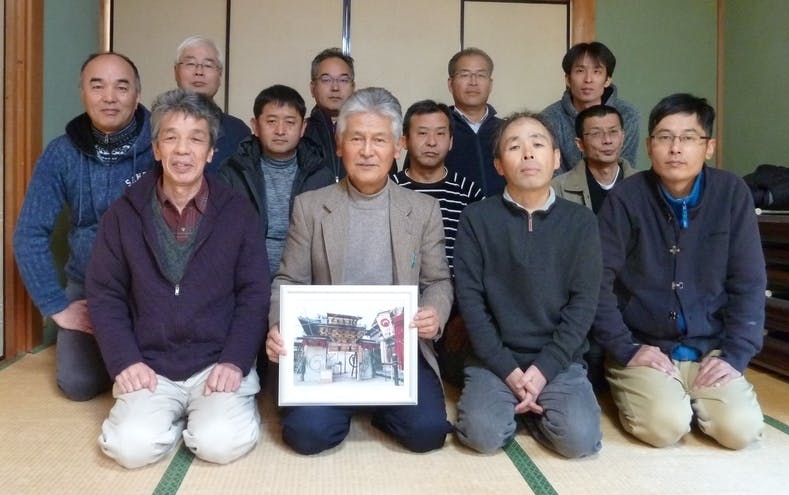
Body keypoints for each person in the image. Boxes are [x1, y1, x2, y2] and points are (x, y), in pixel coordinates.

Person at [85, 89, 270, 469]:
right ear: (156, 148)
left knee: (219, 444)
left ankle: (206, 416)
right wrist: (125, 361)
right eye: (171, 138)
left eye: (196, 139)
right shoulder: (122, 214)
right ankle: (170, 418)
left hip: (216, 364)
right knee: (129, 450)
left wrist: (235, 360)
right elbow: (105, 294)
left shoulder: (238, 213)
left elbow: (254, 294)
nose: (183, 150)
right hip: (150, 365)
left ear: (211, 151)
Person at [266, 87, 454, 455]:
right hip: (328, 351)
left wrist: (435, 312)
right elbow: (288, 280)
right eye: (356, 139)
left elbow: (437, 281)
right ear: (340, 146)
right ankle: (355, 405)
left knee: (428, 433)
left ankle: (379, 409)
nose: (367, 151)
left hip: (398, 351)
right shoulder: (310, 207)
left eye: (379, 140)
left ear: (397, 146)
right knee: (307, 435)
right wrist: (278, 324)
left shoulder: (423, 209)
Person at [594, 93, 765, 450]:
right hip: (645, 344)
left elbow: (749, 282)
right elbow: (597, 281)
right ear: (649, 146)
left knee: (740, 430)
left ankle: (693, 396)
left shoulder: (732, 193)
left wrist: (735, 355)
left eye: (688, 138)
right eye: (664, 137)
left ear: (708, 147)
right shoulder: (626, 198)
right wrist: (625, 347)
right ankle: (663, 396)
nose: (675, 148)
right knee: (665, 427)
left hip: (711, 347)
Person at [453, 112, 602, 458]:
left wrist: (542, 371)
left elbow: (583, 307)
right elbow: (471, 305)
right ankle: (522, 406)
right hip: (493, 360)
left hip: (559, 360)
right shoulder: (476, 218)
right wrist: (508, 370)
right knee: (482, 436)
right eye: (514, 146)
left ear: (556, 158)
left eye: (538, 144)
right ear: (498, 165)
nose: (528, 153)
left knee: (580, 442)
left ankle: (528, 409)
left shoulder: (581, 222)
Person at [13, 52, 154, 401]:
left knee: (161, 378)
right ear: (83, 93)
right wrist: (56, 306)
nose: (110, 97)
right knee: (77, 384)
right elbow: (29, 233)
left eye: (122, 87)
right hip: (90, 286)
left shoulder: (161, 145)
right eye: (98, 86)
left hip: (152, 287)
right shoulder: (61, 153)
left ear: (137, 94)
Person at [392, 99, 483, 387]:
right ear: (405, 140)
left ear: (451, 141)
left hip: (456, 303)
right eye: (422, 133)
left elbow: (480, 260)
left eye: (440, 133)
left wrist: (460, 312)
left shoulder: (470, 192)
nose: (432, 142)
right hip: (398, 299)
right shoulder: (388, 188)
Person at [552, 104, 637, 390]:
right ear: (580, 143)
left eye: (613, 132)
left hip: (631, 294)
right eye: (597, 134)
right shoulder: (557, 188)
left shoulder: (644, 186)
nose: (607, 140)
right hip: (579, 295)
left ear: (623, 136)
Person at [220, 84, 334, 277]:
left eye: (290, 122)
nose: (280, 131)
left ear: (303, 128)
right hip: (246, 280)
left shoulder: (321, 175)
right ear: (255, 126)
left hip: (304, 282)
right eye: (271, 121)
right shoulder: (233, 172)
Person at [541, 41, 640, 173]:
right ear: (568, 79)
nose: (588, 79)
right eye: (580, 71)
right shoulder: (548, 118)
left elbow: (625, 169)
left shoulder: (627, 114)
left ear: (607, 80)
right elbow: (553, 175)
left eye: (596, 71)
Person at [173, 35, 249, 173]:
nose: (199, 72)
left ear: (220, 75)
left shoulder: (238, 131)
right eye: (190, 64)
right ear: (176, 72)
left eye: (208, 65)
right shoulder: (154, 126)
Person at [444, 47, 504, 196]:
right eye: (465, 75)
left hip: (500, 210)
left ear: (490, 84)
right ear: (450, 84)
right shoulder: (438, 130)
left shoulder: (506, 131)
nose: (473, 82)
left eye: (481, 75)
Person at [303, 48, 356, 182]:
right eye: (326, 79)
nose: (335, 88)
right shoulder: (299, 132)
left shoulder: (369, 132)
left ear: (353, 87)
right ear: (312, 88)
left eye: (343, 80)